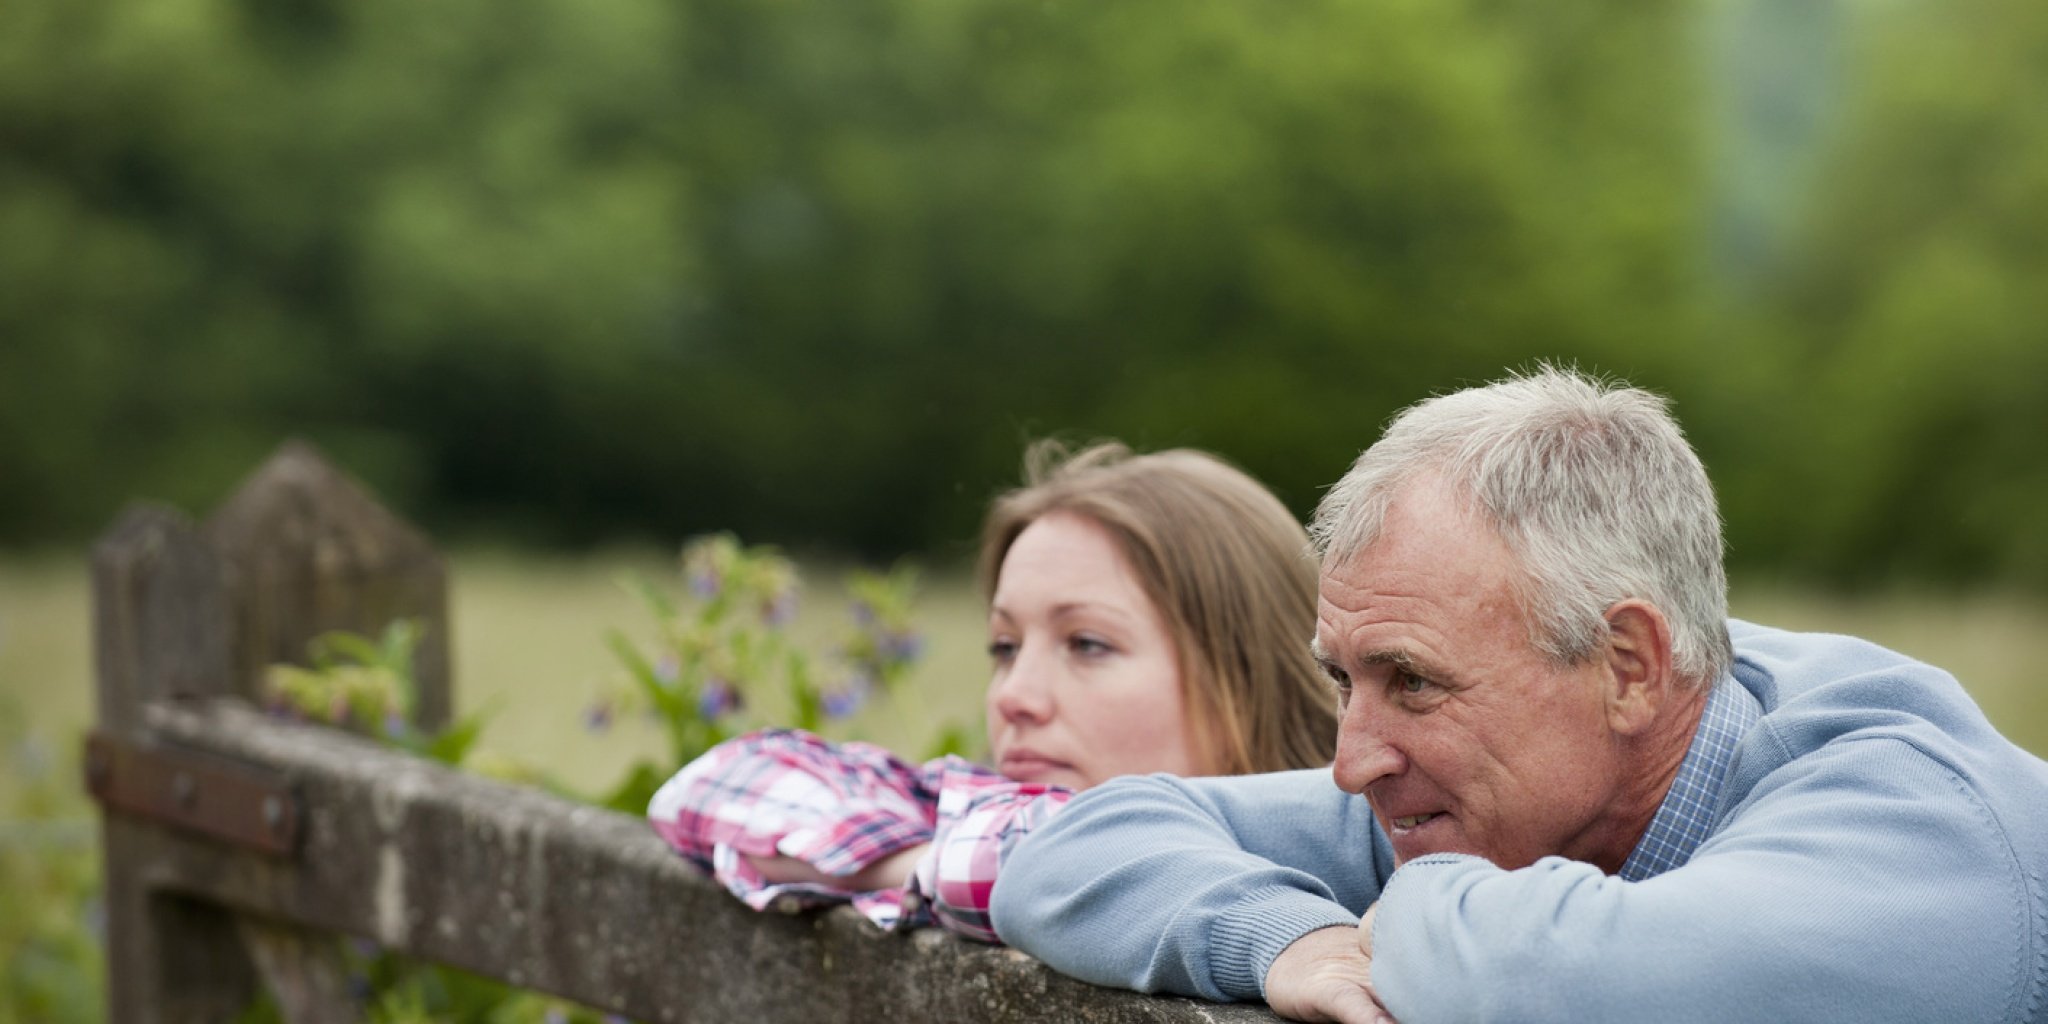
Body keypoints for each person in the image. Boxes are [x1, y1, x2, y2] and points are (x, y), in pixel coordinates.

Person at [991, 368, 2048, 1023]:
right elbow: (1073, 848)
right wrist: (1282, 937)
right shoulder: (1512, 784)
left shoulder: (1920, 822)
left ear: (1628, 664)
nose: (1352, 758)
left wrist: (1395, 913)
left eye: (1409, 680)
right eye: (1343, 678)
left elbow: (1556, 983)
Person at [648, 440, 1340, 941]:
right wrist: (945, 863)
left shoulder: (1354, 864)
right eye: (1005, 647)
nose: (1015, 696)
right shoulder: (981, 823)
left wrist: (1011, 871)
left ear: (1247, 673)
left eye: (1088, 644)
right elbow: (711, 785)